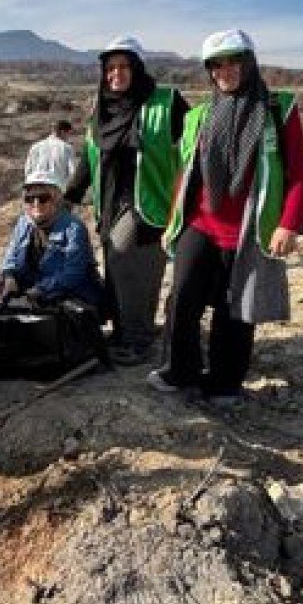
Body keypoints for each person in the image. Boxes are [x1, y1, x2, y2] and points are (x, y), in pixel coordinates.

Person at [148, 29, 303, 402]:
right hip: (202, 223)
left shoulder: (277, 109)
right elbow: (185, 173)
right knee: (182, 297)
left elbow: (298, 173)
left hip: (250, 229)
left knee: (235, 306)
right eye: (216, 65)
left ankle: (224, 383)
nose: (226, 70)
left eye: (234, 60)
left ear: (249, 62)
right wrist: (174, 219)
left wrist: (288, 224)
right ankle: (179, 372)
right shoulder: (199, 116)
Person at [64, 35, 191, 366]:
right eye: (110, 68)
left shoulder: (167, 102)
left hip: (149, 203)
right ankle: (125, 332)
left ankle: (138, 340)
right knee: (119, 271)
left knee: (131, 266)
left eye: (123, 66)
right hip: (110, 204)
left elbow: (193, 148)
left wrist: (188, 204)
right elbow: (88, 157)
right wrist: (71, 196)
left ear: (137, 68)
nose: (115, 74)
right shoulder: (102, 108)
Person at [0, 168, 103, 309]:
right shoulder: (23, 223)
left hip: (71, 293)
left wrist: (38, 291)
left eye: (43, 198)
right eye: (29, 199)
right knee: (0, 279)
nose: (36, 204)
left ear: (55, 199)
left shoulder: (74, 227)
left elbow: (73, 273)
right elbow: (10, 254)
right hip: (33, 289)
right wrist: (9, 276)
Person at [24, 118, 76, 192]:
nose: (68, 137)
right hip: (54, 187)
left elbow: (28, 170)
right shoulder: (66, 148)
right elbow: (72, 172)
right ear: (63, 132)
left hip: (33, 185)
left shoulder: (35, 146)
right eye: (69, 134)